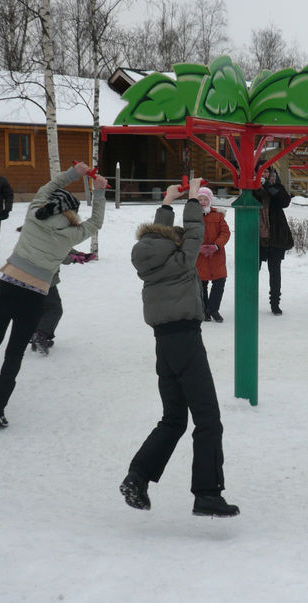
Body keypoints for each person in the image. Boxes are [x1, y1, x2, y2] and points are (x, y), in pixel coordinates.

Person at [119, 177, 239, 518]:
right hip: (186, 341)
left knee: (173, 419)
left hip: (163, 345)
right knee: (208, 420)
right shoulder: (181, 259)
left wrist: (168, 202)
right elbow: (195, 232)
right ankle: (207, 494)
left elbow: (162, 234)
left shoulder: (149, 259)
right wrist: (192, 201)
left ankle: (138, 476)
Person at [0, 163, 106, 427]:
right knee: (14, 352)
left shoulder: (34, 213)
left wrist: (74, 173)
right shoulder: (70, 235)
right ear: (71, 213)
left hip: (6, 286)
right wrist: (100, 191)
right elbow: (95, 223)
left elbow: (47, 187)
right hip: (34, 296)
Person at [29, 248, 96, 355]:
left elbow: (62, 245)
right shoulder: (50, 234)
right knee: (54, 309)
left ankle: (40, 337)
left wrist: (78, 254)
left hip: (31, 275)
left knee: (42, 307)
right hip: (42, 277)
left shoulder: (43, 232)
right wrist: (74, 258)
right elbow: (56, 253)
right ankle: (40, 335)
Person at [253, 162, 294, 315]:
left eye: (266, 172)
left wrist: (270, 187)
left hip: (275, 237)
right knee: (252, 272)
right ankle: (250, 301)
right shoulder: (251, 188)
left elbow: (285, 202)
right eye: (260, 172)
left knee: (275, 273)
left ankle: (275, 303)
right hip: (257, 238)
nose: (264, 175)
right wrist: (258, 187)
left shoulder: (277, 187)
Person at [194, 186, 230, 322]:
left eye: (205, 199)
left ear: (210, 201)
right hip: (200, 257)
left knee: (219, 282)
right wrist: (198, 247)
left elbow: (225, 232)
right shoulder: (193, 217)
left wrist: (216, 245)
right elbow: (188, 234)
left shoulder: (218, 215)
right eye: (200, 199)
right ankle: (204, 310)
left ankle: (213, 309)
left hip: (217, 255)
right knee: (201, 285)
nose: (202, 202)